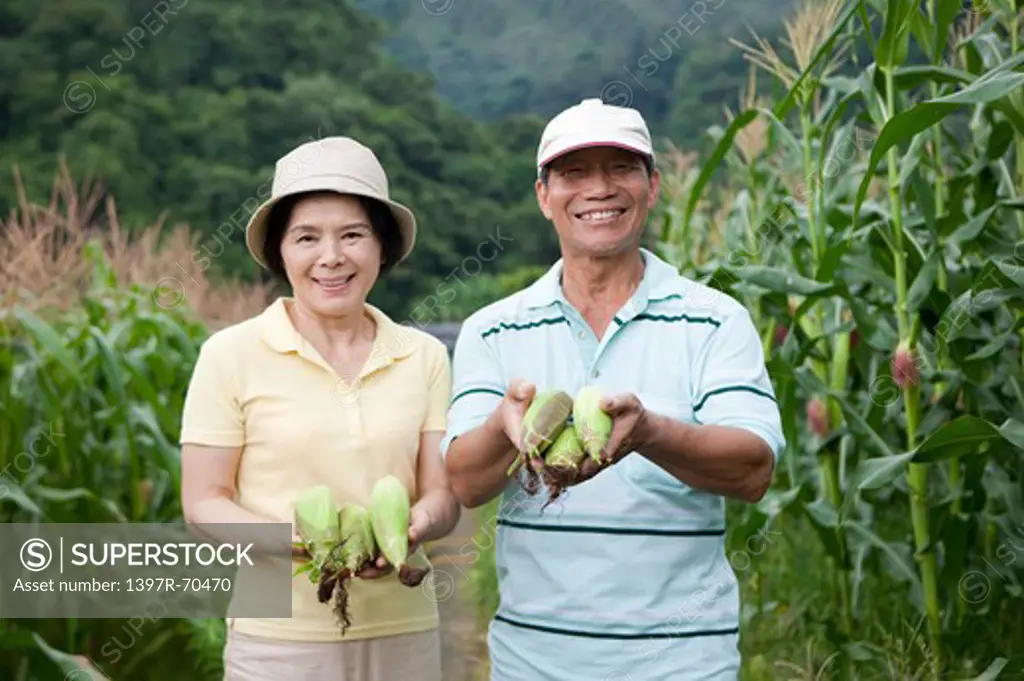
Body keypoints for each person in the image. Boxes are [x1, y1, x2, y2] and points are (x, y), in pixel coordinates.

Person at [442, 98, 785, 680]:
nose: (599, 189)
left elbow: (752, 473)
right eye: (575, 173)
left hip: (684, 664)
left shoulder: (715, 320)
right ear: (543, 195)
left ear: (652, 186)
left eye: (621, 168)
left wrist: (649, 432)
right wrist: (507, 427)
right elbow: (467, 485)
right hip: (535, 664)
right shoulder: (492, 329)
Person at [179, 136, 460, 681]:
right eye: (307, 237)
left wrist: (413, 530)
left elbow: (442, 495)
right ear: (281, 251)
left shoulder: (423, 355)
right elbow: (204, 504)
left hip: (404, 632)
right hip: (275, 640)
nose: (331, 257)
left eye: (352, 235)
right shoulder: (230, 354)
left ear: (381, 247)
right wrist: (307, 546)